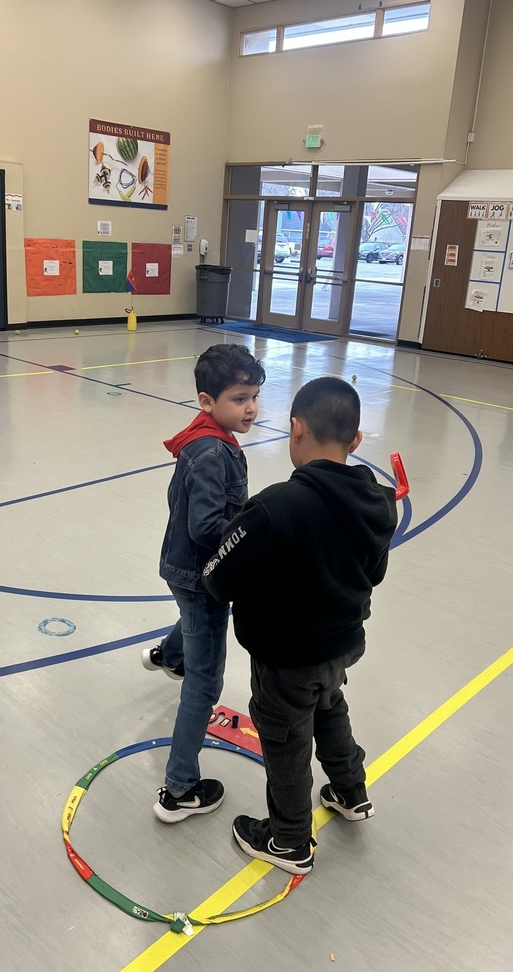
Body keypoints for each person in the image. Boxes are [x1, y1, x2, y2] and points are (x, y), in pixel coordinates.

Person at [202, 376, 398, 875]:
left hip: (288, 656)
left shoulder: (275, 507)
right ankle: (351, 791)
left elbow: (218, 578)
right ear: (355, 441)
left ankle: (289, 838)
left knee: (285, 736)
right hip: (344, 644)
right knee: (328, 707)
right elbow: (373, 571)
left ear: (297, 429)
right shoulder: (379, 500)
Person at [142, 343, 266, 823]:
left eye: (254, 396)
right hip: (202, 577)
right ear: (206, 401)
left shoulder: (206, 439)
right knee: (205, 681)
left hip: (184, 571)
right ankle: (179, 789)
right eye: (239, 398)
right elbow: (207, 528)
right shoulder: (212, 452)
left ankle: (168, 654)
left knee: (192, 623)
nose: (251, 407)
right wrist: (253, 535)